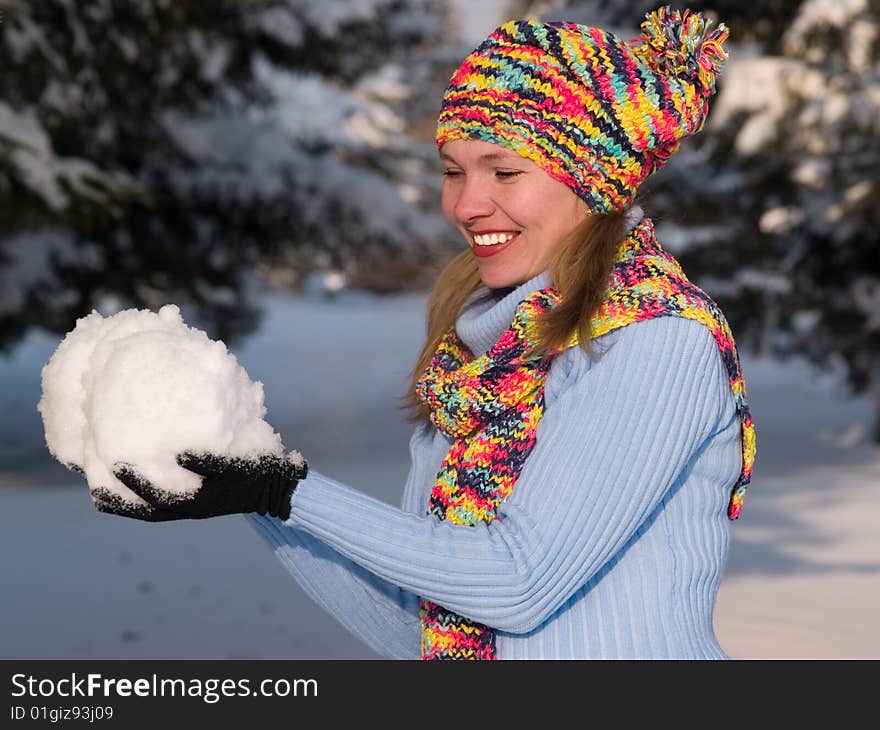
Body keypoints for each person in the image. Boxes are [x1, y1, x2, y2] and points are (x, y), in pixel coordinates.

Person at [89, 6, 756, 660]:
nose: (466, 204)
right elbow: (418, 630)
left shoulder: (656, 342)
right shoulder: (480, 363)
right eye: (452, 171)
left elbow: (518, 583)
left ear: (593, 177)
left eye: (504, 171)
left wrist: (286, 492)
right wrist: (253, 487)